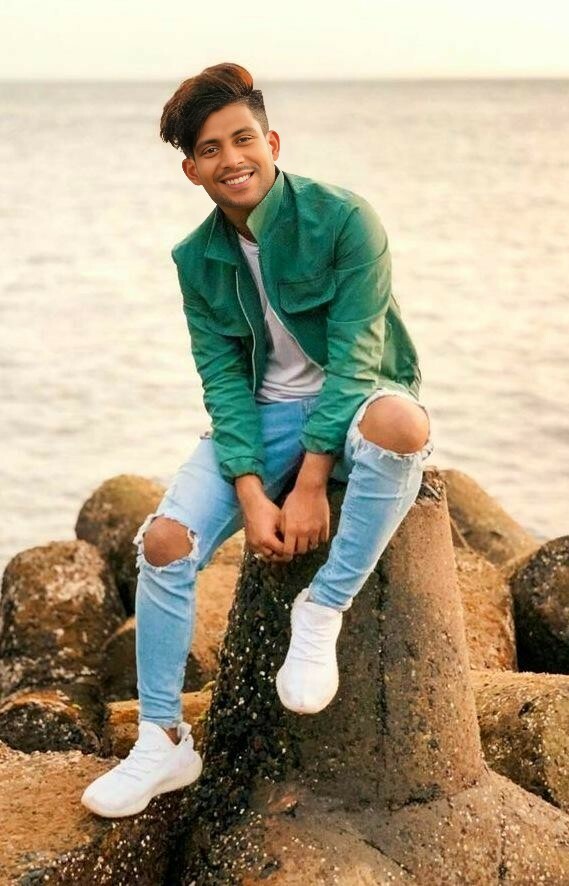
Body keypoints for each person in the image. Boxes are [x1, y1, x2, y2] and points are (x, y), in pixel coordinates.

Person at [81, 62, 433, 818]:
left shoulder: (345, 219)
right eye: (210, 149)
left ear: (272, 142)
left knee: (402, 427)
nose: (231, 158)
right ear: (191, 169)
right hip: (262, 418)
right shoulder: (195, 259)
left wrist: (309, 484)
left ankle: (322, 608)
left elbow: (357, 358)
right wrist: (249, 489)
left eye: (243, 138)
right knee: (165, 544)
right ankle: (162, 739)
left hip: (357, 398)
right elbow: (222, 379)